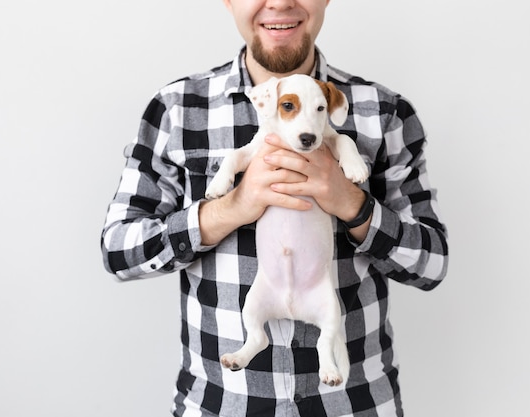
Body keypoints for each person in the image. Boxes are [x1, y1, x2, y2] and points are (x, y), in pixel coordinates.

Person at [101, 0, 449, 416]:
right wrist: (231, 208)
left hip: (354, 404)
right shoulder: (177, 110)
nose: (280, 1)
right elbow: (119, 251)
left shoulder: (385, 113)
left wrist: (352, 204)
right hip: (222, 404)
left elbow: (431, 264)